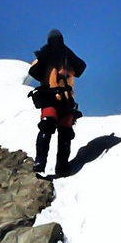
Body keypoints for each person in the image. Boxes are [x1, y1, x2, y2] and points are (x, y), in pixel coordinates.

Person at [27, 30, 86, 177]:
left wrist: (67, 53)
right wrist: (45, 56)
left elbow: (80, 68)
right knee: (47, 125)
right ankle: (40, 161)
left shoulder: (68, 58)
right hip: (50, 97)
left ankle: (62, 165)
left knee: (65, 133)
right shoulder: (42, 57)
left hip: (66, 100)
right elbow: (35, 72)